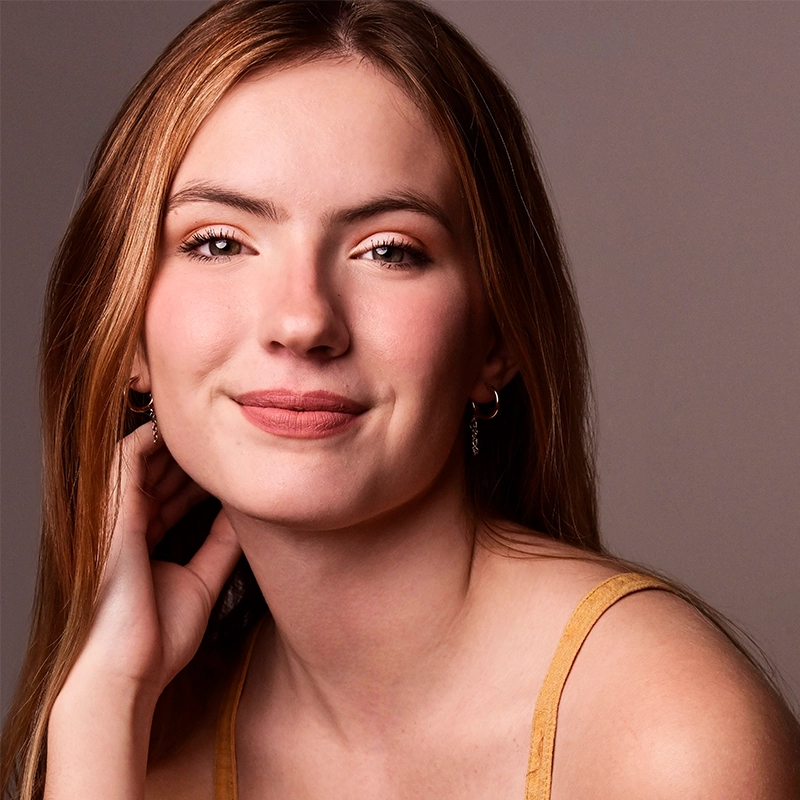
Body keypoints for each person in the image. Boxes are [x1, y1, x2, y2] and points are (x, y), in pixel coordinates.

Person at [2, 1, 798, 798]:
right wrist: (101, 706)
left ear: (496, 339)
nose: (303, 320)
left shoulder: (667, 734)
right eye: (219, 242)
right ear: (128, 330)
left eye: (389, 250)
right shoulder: (140, 731)